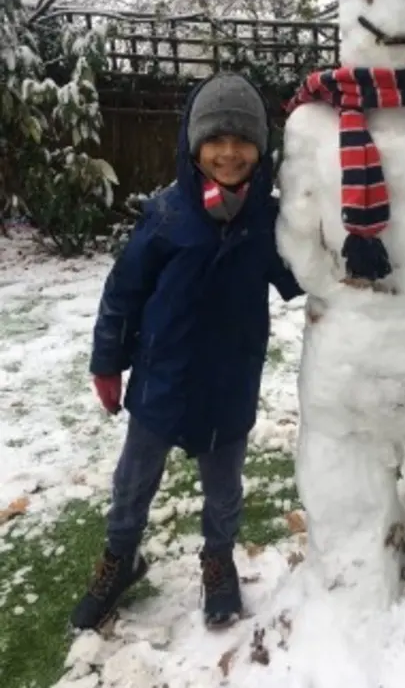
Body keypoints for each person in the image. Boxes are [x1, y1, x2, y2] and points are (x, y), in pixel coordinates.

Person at [70, 72, 301, 632]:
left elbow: (301, 277)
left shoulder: (268, 221)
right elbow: (123, 292)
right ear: (193, 144)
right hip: (160, 383)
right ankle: (120, 558)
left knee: (223, 490)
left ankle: (217, 561)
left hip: (229, 383)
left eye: (242, 139)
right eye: (215, 140)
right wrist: (108, 362)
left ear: (260, 147)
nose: (228, 152)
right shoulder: (167, 215)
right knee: (133, 482)